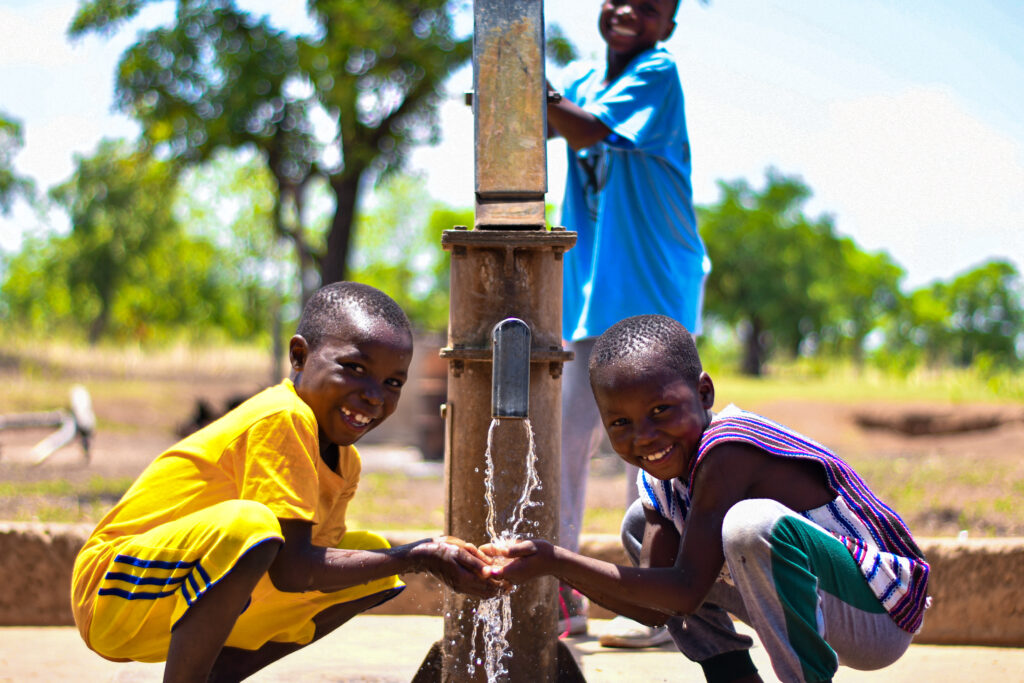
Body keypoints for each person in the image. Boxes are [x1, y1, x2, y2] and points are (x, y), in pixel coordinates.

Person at [70, 281, 497, 682]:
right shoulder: (283, 416)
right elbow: (294, 570)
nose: (374, 395)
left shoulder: (344, 461)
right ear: (299, 357)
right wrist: (419, 555)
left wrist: (421, 554)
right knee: (252, 527)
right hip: (111, 589)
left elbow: (307, 572)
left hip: (166, 598)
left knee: (372, 563)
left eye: (392, 382)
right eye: (354, 368)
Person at [484, 315, 931, 683]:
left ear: (704, 394)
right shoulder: (659, 476)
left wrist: (557, 561)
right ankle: (732, 676)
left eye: (661, 411)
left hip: (878, 611)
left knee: (748, 526)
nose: (644, 437)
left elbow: (684, 591)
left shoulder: (728, 450)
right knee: (640, 522)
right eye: (620, 423)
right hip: (824, 607)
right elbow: (656, 607)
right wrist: (547, 565)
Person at [546, 0, 710, 640]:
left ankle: (656, 606)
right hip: (593, 291)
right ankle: (564, 604)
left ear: (667, 26)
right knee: (564, 442)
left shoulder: (657, 71)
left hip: (651, 286)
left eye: (649, 8)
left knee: (655, 449)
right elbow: (560, 119)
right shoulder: (584, 82)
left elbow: (584, 131)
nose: (627, 13)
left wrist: (525, 84)